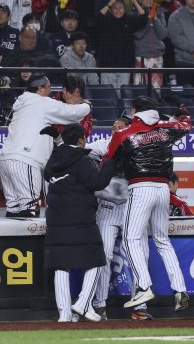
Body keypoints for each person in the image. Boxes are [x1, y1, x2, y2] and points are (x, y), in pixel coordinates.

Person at [103, 96, 191, 311]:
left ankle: (143, 287)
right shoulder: (168, 128)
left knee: (131, 239)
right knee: (163, 240)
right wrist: (183, 111)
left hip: (140, 187)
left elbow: (108, 159)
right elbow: (186, 125)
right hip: (163, 188)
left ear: (134, 110)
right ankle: (180, 290)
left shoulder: (124, 133)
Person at [45, 123, 116, 323]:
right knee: (97, 260)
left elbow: (47, 175)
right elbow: (98, 183)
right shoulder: (82, 159)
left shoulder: (54, 158)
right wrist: (110, 161)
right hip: (80, 219)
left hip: (57, 220)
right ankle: (84, 302)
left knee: (61, 266)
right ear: (80, 140)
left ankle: (64, 314)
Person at [0, 73, 91, 217]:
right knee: (30, 210)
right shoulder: (41, 102)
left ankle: (15, 240)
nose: (51, 91)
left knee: (14, 210)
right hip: (25, 160)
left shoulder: (22, 101)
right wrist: (86, 105)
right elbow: (73, 113)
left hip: (6, 160)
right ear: (40, 88)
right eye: (48, 87)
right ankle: (28, 240)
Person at [86, 117, 151, 320]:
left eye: (120, 128)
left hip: (133, 208)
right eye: (113, 128)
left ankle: (139, 306)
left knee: (140, 256)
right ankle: (99, 305)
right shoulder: (103, 145)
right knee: (102, 256)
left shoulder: (140, 147)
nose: (116, 131)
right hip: (107, 207)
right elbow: (78, 151)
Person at [95, 0, 147, 88]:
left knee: (123, 93)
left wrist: (135, 2)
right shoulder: (105, 21)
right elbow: (98, 18)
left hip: (125, 65)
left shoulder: (129, 20)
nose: (118, 10)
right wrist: (110, 3)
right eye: (115, 8)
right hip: (107, 65)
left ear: (124, 9)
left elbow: (143, 18)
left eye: (121, 8)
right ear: (110, 10)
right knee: (108, 94)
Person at [133, 0, 167, 91]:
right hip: (141, 57)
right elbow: (138, 35)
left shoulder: (160, 13)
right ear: (139, 0)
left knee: (156, 91)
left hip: (157, 57)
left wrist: (155, 19)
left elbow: (163, 35)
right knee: (140, 91)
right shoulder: (135, 15)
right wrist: (148, 19)